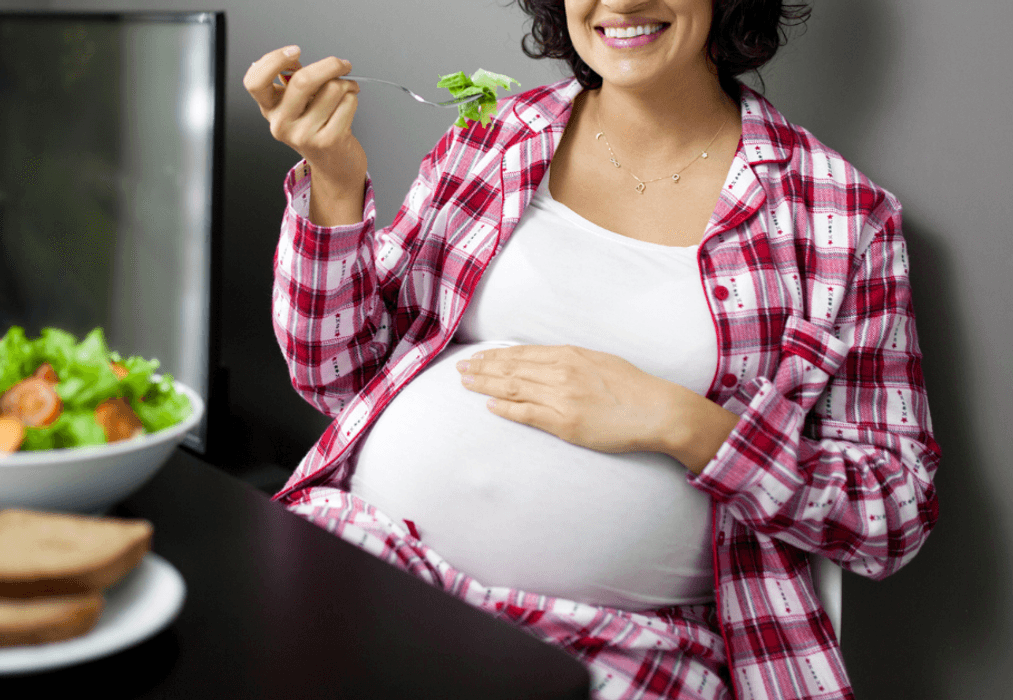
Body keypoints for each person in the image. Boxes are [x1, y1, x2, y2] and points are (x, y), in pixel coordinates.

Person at [244, 0, 940, 697]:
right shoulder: (493, 135)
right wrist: (333, 179)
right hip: (370, 554)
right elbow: (337, 375)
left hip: (614, 649)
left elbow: (893, 512)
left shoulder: (839, 215)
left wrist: (682, 423)